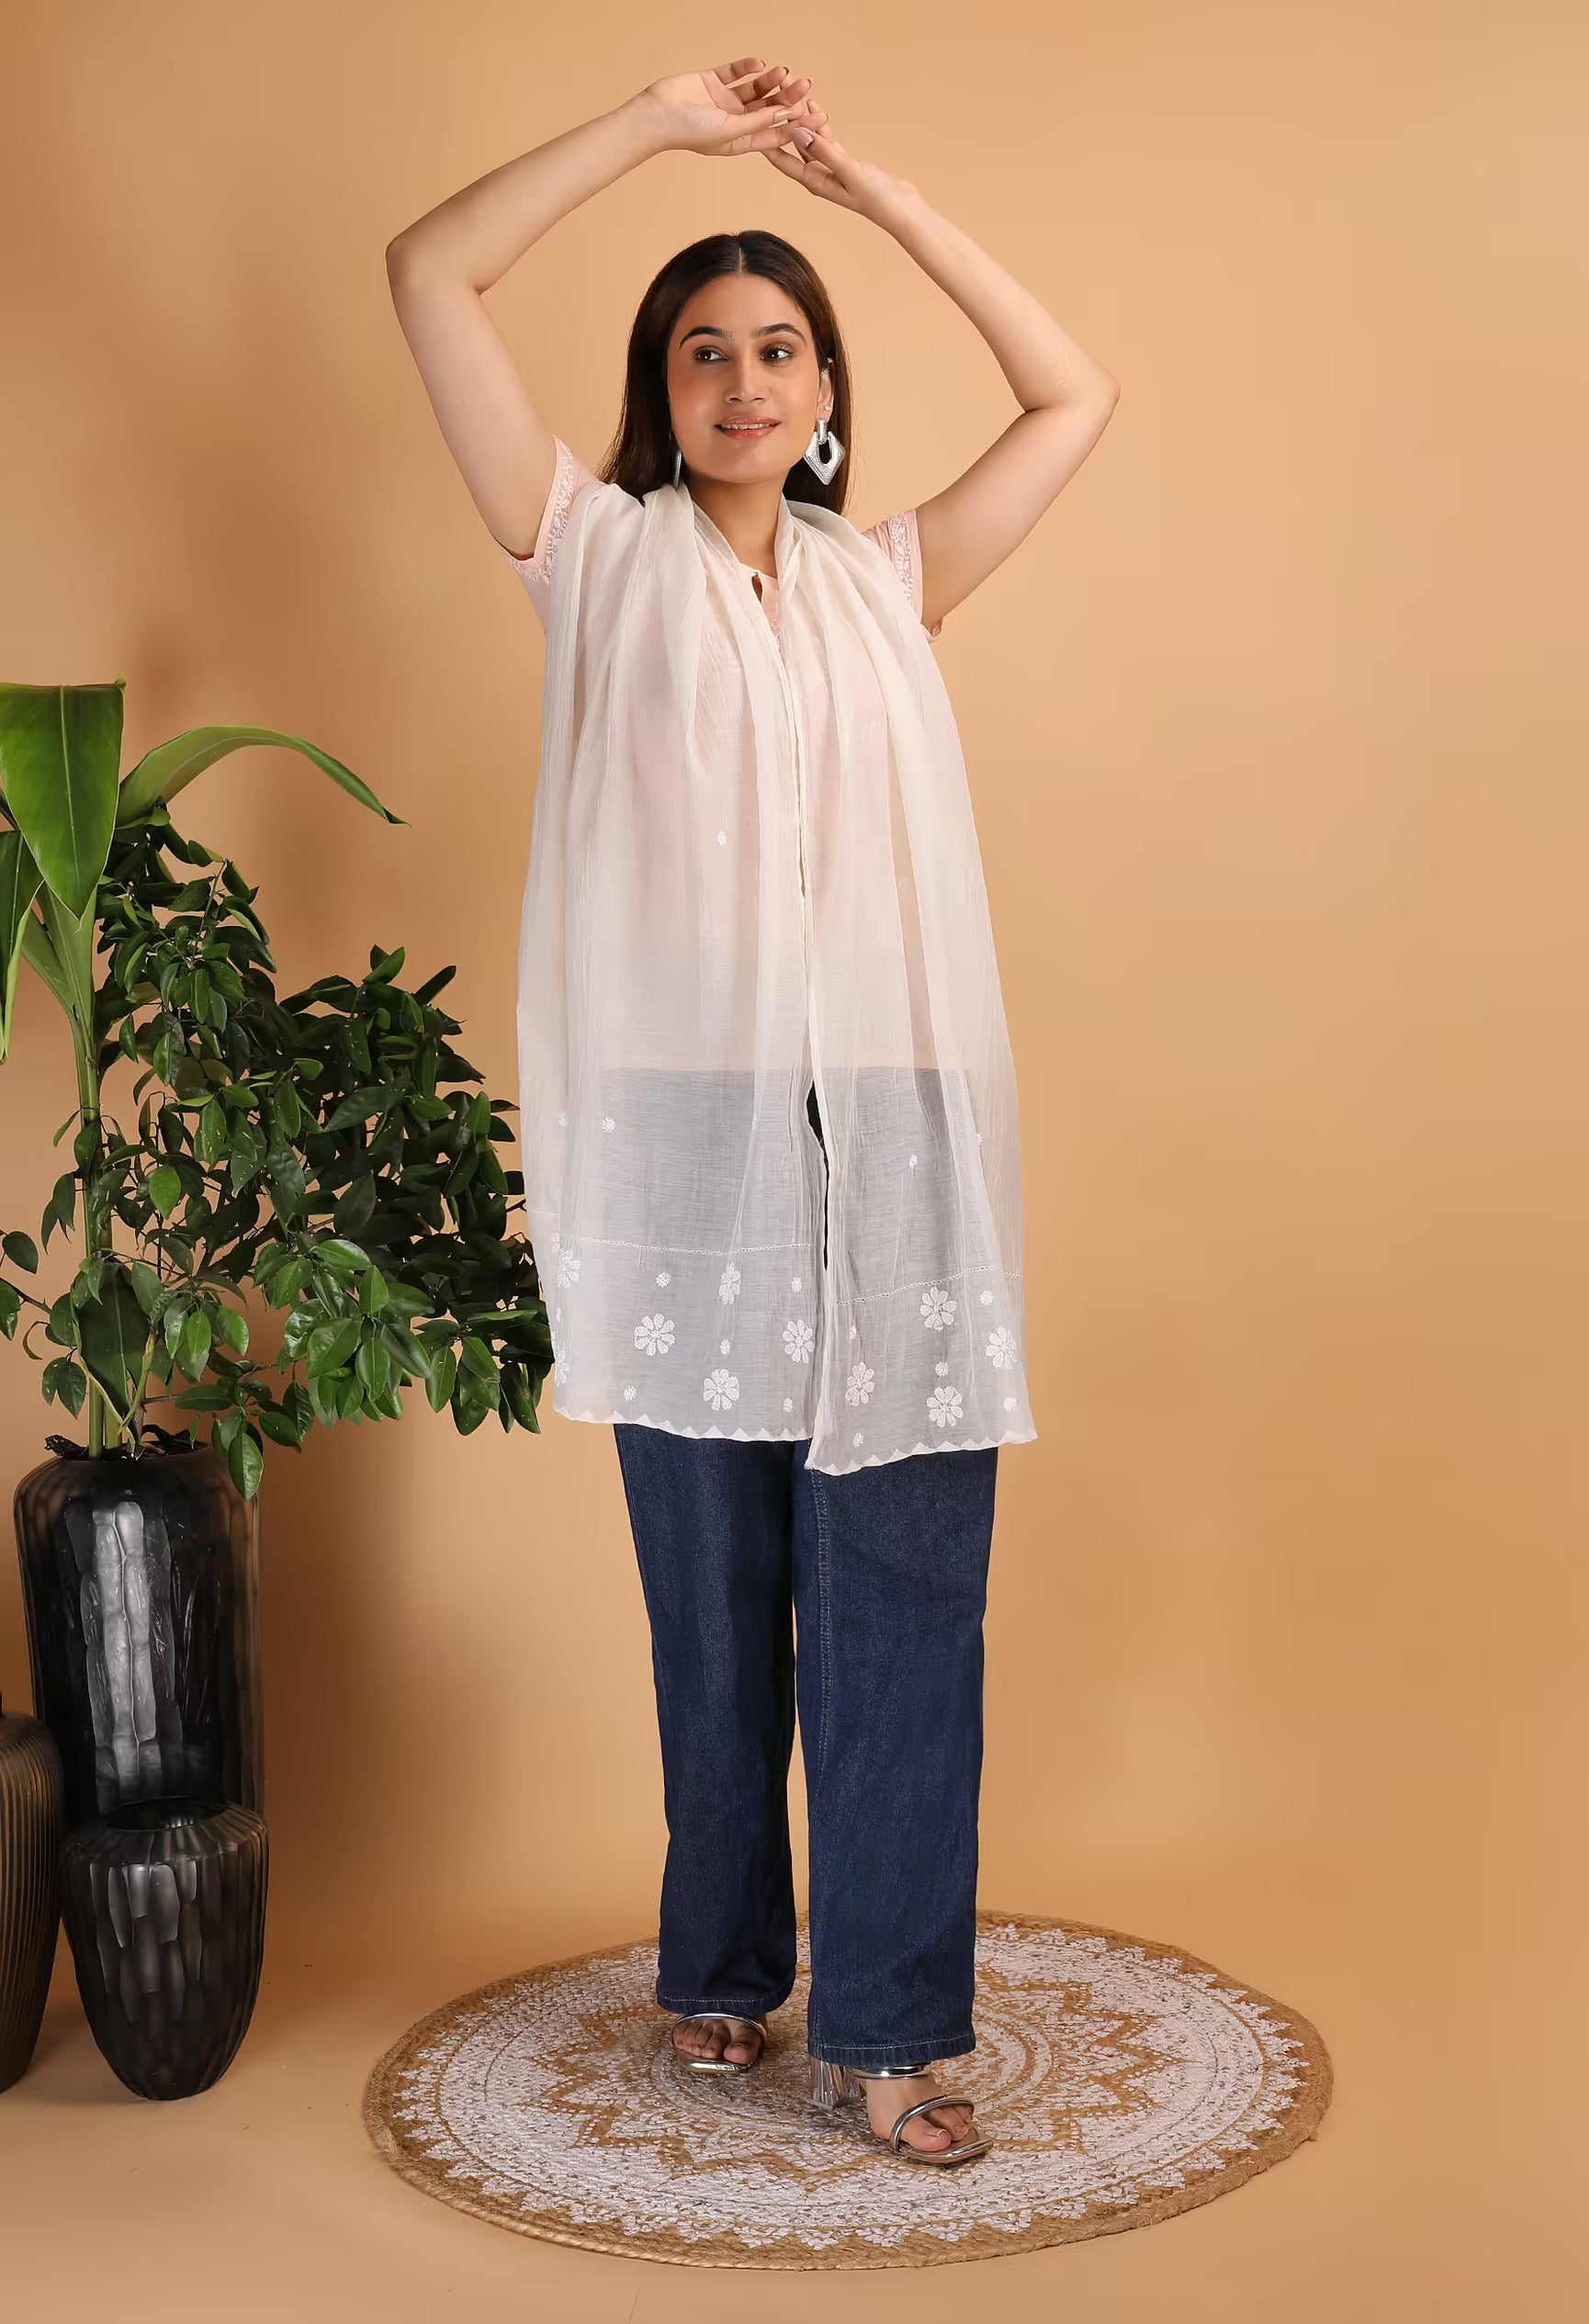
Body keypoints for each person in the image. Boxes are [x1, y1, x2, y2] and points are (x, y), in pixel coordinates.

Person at [386, 57, 1118, 2165]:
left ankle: (889, 2024)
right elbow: (426, 268)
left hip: (884, 1120)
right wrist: (655, 126)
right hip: (693, 1118)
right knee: (710, 1578)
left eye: (779, 348)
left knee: (902, 1571)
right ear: (657, 384)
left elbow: (1072, 395)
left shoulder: (892, 580)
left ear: (823, 385)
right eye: (703, 351)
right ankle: (718, 1954)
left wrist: (867, 192)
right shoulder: (589, 557)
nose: (742, 378)